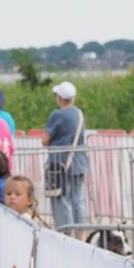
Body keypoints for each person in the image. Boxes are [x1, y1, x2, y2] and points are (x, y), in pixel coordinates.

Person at [42, 81, 87, 236]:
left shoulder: (57, 115)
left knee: (62, 199)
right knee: (78, 199)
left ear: (60, 98)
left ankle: (66, 233)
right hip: (79, 162)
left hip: (59, 163)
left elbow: (45, 140)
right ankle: (81, 233)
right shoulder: (79, 113)